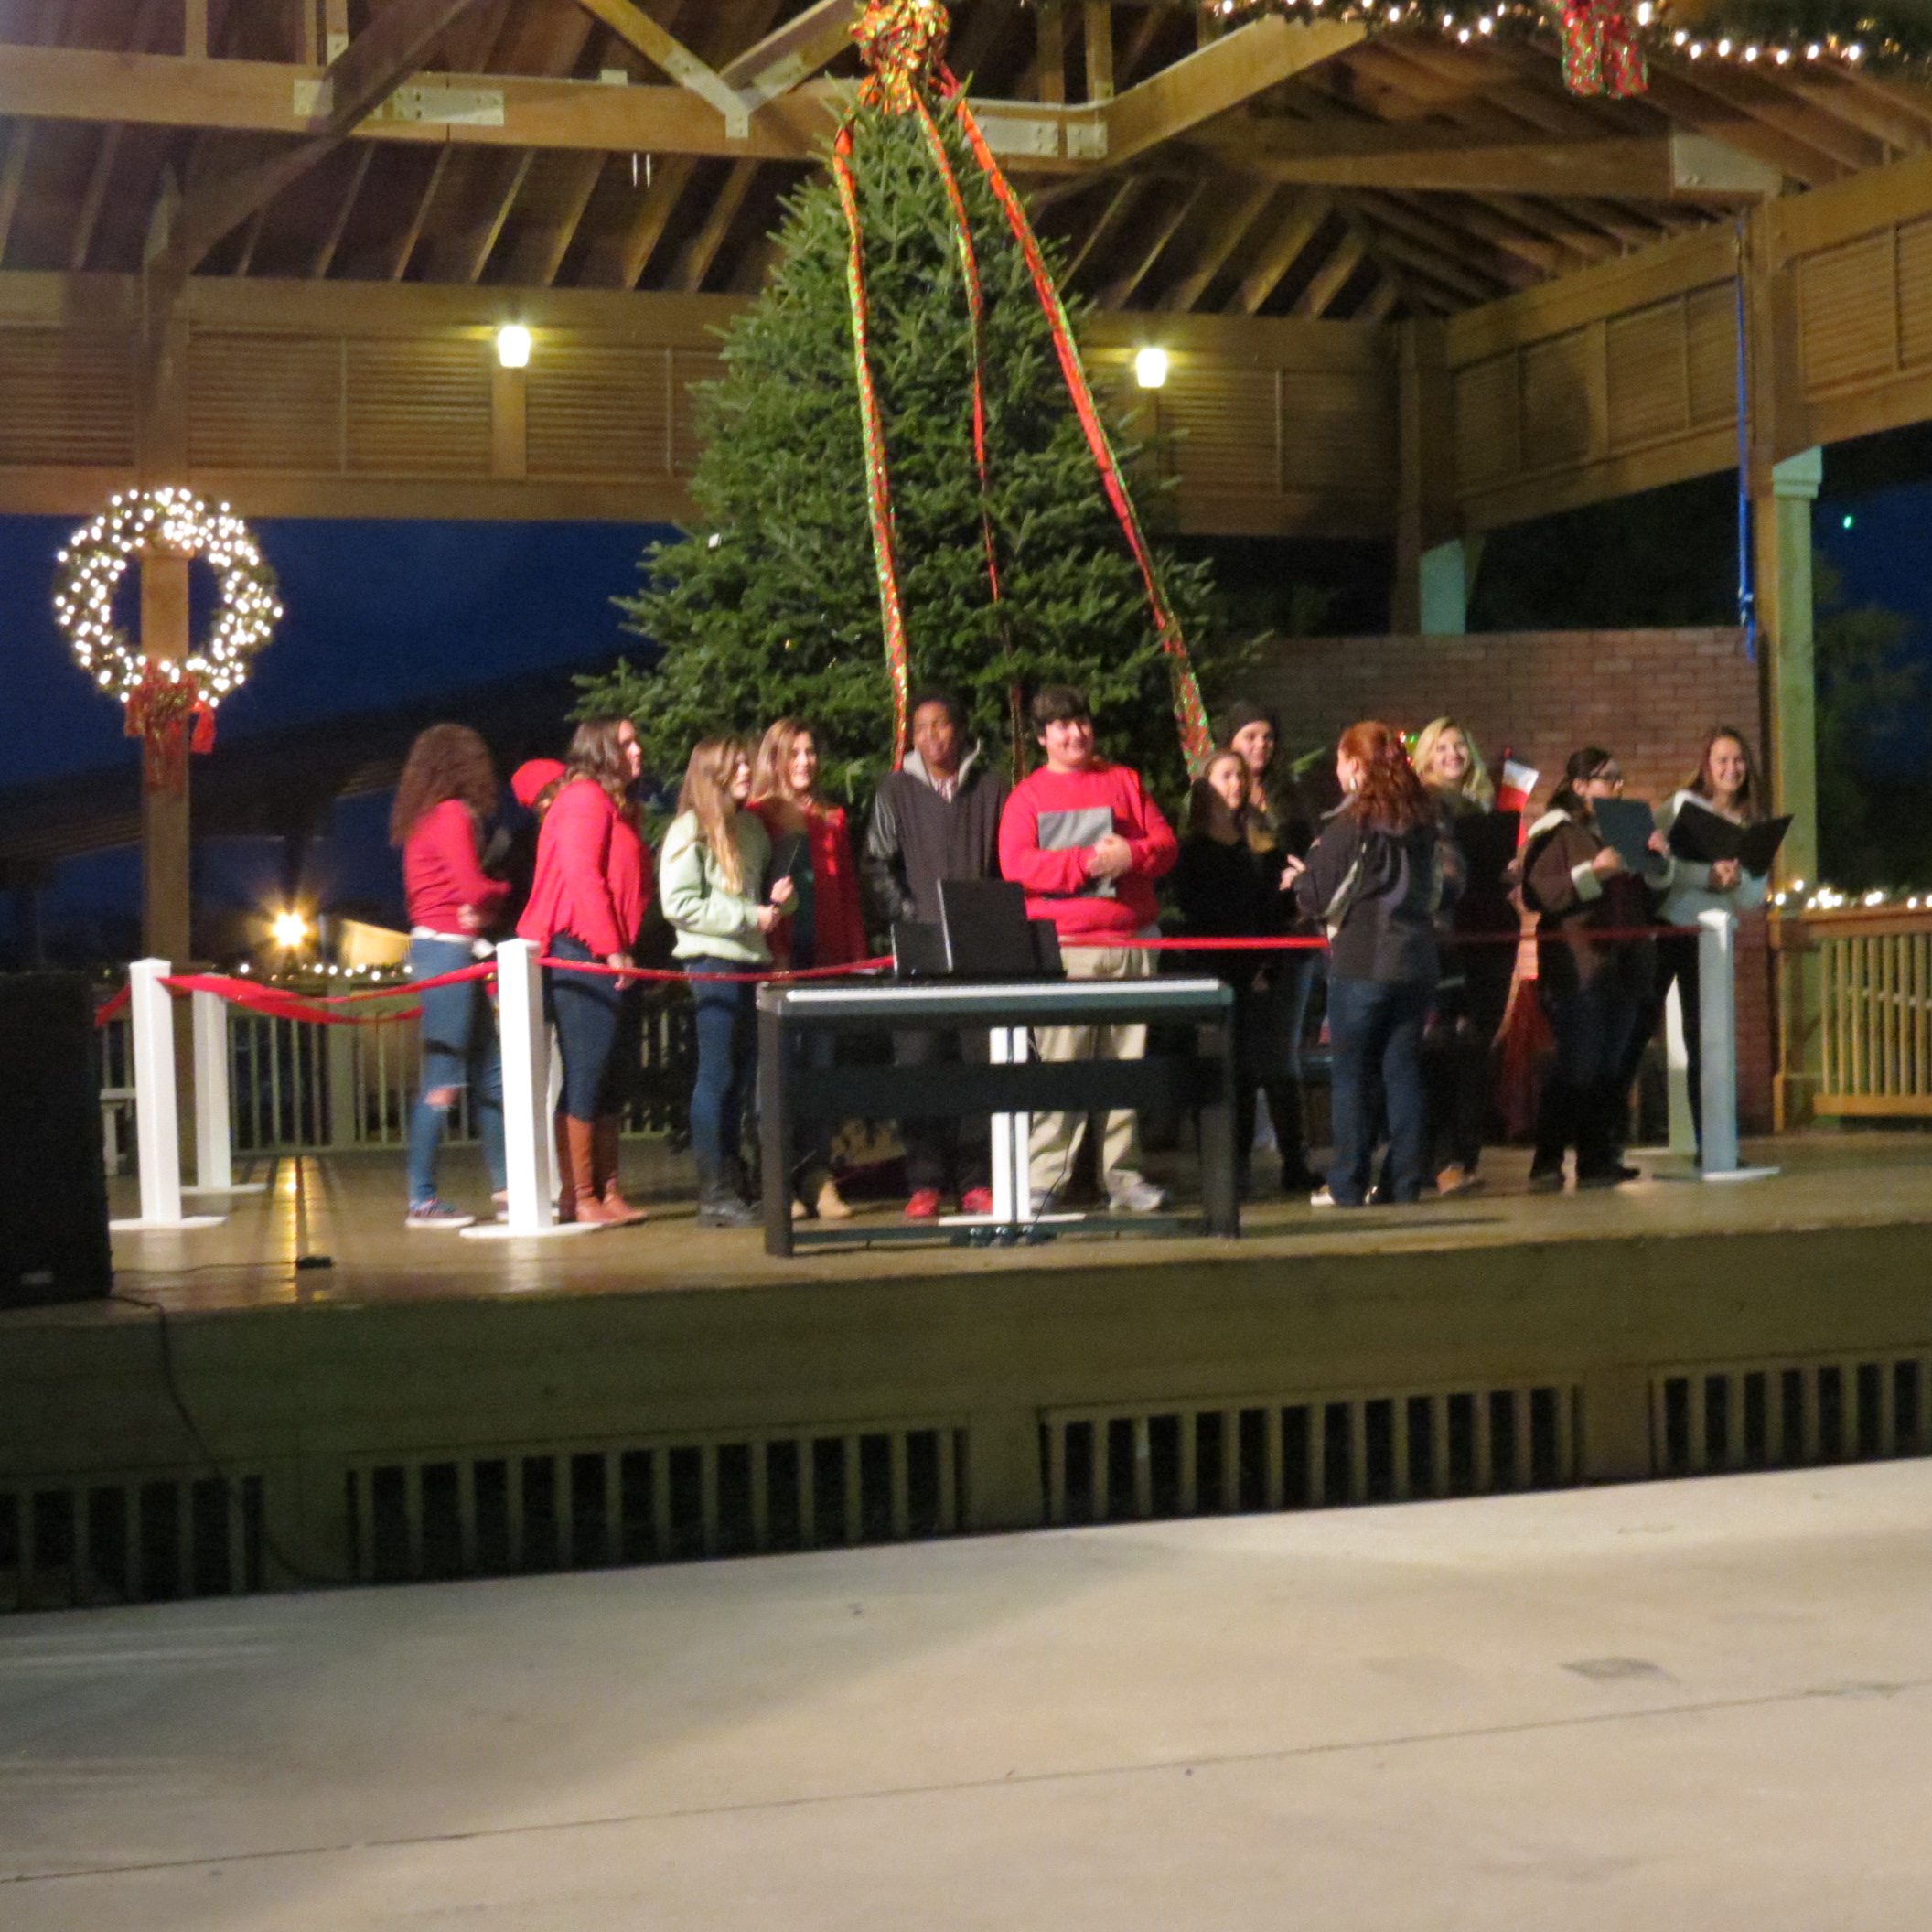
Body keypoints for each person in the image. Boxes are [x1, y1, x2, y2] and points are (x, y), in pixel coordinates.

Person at [998, 685, 1177, 1214]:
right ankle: (1045, 1179)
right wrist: (1085, 863)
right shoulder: (1027, 796)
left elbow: (1166, 846)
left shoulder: (1125, 781)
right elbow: (1016, 865)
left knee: (1127, 1064)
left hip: (1131, 947)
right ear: (1042, 737)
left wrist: (1132, 855)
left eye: (1081, 723)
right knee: (1063, 1063)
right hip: (1066, 951)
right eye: (1061, 726)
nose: (1075, 734)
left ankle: (1123, 1177)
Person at [863, 687, 1012, 1219]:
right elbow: (877, 862)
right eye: (921, 727)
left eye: (941, 724)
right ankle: (924, 1180)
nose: (930, 736)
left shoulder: (992, 788)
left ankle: (976, 1179)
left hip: (979, 950)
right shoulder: (895, 789)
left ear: (960, 729)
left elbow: (1009, 864)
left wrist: (989, 918)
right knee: (918, 1062)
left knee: (978, 1063)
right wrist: (909, 913)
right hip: (919, 949)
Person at [1288, 721, 1451, 1208]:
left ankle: (1347, 1184)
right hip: (1417, 962)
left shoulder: (1352, 822)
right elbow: (1437, 891)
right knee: (1403, 1073)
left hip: (1362, 961)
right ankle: (1404, 1183)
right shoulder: (1423, 820)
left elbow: (1317, 898)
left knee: (1353, 1077)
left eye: (1340, 762)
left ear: (1355, 764)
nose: (1338, 773)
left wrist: (1300, 878)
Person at [517, 718, 652, 1228]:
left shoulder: (613, 806)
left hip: (613, 949)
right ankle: (580, 1194)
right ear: (601, 751)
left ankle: (607, 1189)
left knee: (613, 1073)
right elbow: (581, 875)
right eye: (625, 743)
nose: (637, 750)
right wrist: (611, 948)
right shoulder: (584, 799)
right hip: (583, 948)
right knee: (588, 1069)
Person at [660, 737, 795, 1229]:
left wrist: (781, 902)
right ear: (711, 773)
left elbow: (764, 903)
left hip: (752, 962)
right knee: (716, 1074)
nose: (745, 770)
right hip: (712, 963)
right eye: (735, 765)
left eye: (745, 762)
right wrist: (748, 915)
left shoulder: (751, 828)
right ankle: (713, 1191)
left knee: (740, 1077)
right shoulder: (689, 829)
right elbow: (679, 903)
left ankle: (734, 1182)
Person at [1518, 746, 1667, 1191]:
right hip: (1580, 965)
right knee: (1578, 1065)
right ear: (1580, 786)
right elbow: (1538, 894)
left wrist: (1659, 860)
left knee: (1611, 1067)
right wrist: (1593, 873)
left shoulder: (1626, 826)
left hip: (1627, 962)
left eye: (1620, 777)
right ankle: (1547, 1160)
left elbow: (1650, 895)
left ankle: (1597, 1159)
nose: (1618, 786)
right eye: (1608, 778)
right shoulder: (1558, 831)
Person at [393, 724, 510, 1229]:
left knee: (488, 1073)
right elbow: (474, 890)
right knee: (445, 1080)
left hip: (439, 951)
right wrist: (501, 891)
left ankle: (507, 1191)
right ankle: (421, 1198)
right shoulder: (453, 816)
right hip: (450, 955)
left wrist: (479, 905)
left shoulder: (423, 819)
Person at [751, 717, 867, 1221]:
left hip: (825, 961)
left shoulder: (833, 817)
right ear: (775, 758)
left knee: (820, 1070)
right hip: (779, 959)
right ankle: (778, 1180)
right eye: (793, 753)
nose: (804, 762)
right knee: (778, 1071)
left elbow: (846, 894)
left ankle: (819, 1176)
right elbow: (757, 888)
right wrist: (775, 954)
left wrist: (853, 957)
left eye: (810, 752)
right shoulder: (759, 815)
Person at [1170, 749, 1298, 1200]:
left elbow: (1276, 911)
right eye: (1225, 776)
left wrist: (1269, 963)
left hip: (1255, 972)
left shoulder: (1260, 844)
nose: (1236, 784)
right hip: (1210, 971)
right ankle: (1218, 1164)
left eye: (1240, 776)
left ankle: (1251, 1164)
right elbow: (1190, 910)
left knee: (1252, 1070)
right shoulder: (1191, 849)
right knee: (1214, 1068)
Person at [1634, 726, 1757, 1154]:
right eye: (1723, 760)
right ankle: (1603, 1141)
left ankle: (1713, 1145)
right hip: (1670, 929)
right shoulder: (1682, 806)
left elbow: (1753, 897)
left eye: (1738, 760)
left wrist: (1737, 881)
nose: (1732, 768)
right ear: (1706, 765)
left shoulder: (1750, 822)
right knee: (1637, 1026)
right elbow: (1655, 863)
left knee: (1706, 1041)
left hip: (1713, 940)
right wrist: (1707, 875)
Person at [1216, 699, 1318, 1193]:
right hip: (1234, 943)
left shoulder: (1289, 799)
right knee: (1235, 1056)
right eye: (1249, 736)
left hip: (1287, 939)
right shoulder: (1212, 799)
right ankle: (1234, 1166)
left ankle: (1294, 1163)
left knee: (1279, 1054)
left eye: (1267, 736)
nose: (1260, 745)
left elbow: (1305, 863)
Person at [1411, 715, 1513, 1196]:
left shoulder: (1483, 805)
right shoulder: (1424, 805)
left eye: (1459, 746)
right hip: (1450, 938)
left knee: (1476, 1050)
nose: (1452, 755)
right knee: (1445, 1049)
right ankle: (1442, 1158)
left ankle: (1465, 1157)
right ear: (1426, 756)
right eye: (1442, 747)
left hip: (1491, 931)